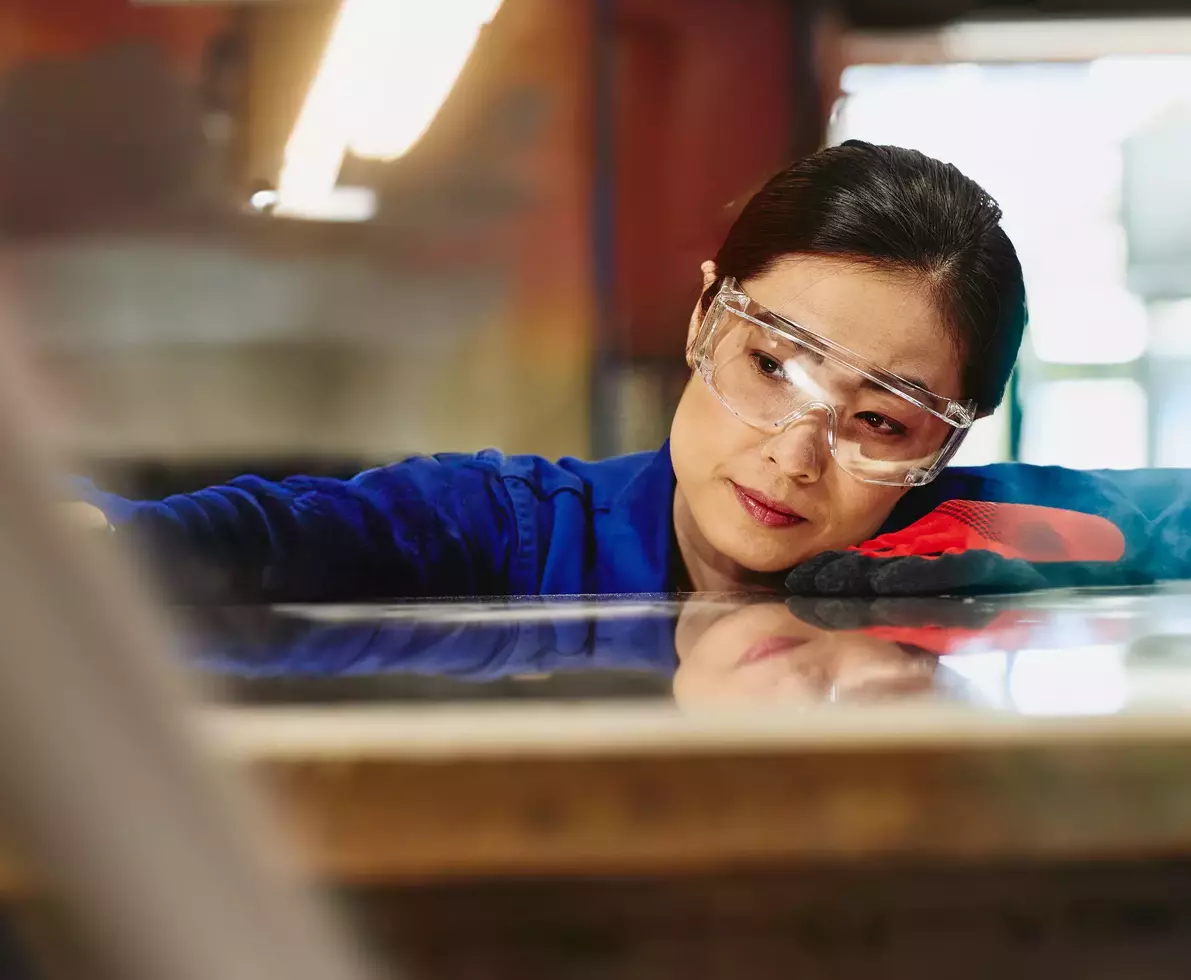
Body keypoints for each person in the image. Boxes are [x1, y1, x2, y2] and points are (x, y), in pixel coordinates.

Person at [73, 141, 1191, 602]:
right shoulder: (525, 529)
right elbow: (304, 528)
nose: (795, 454)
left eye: (883, 425)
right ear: (708, 315)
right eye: (772, 363)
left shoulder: (966, 527)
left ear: (949, 441)